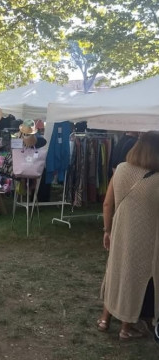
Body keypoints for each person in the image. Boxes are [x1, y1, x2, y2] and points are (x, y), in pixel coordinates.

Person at [98, 131, 159, 341]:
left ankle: (104, 319)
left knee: (115, 270)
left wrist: (107, 230)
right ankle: (126, 327)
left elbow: (107, 203)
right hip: (146, 236)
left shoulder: (122, 169)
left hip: (119, 231)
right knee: (134, 277)